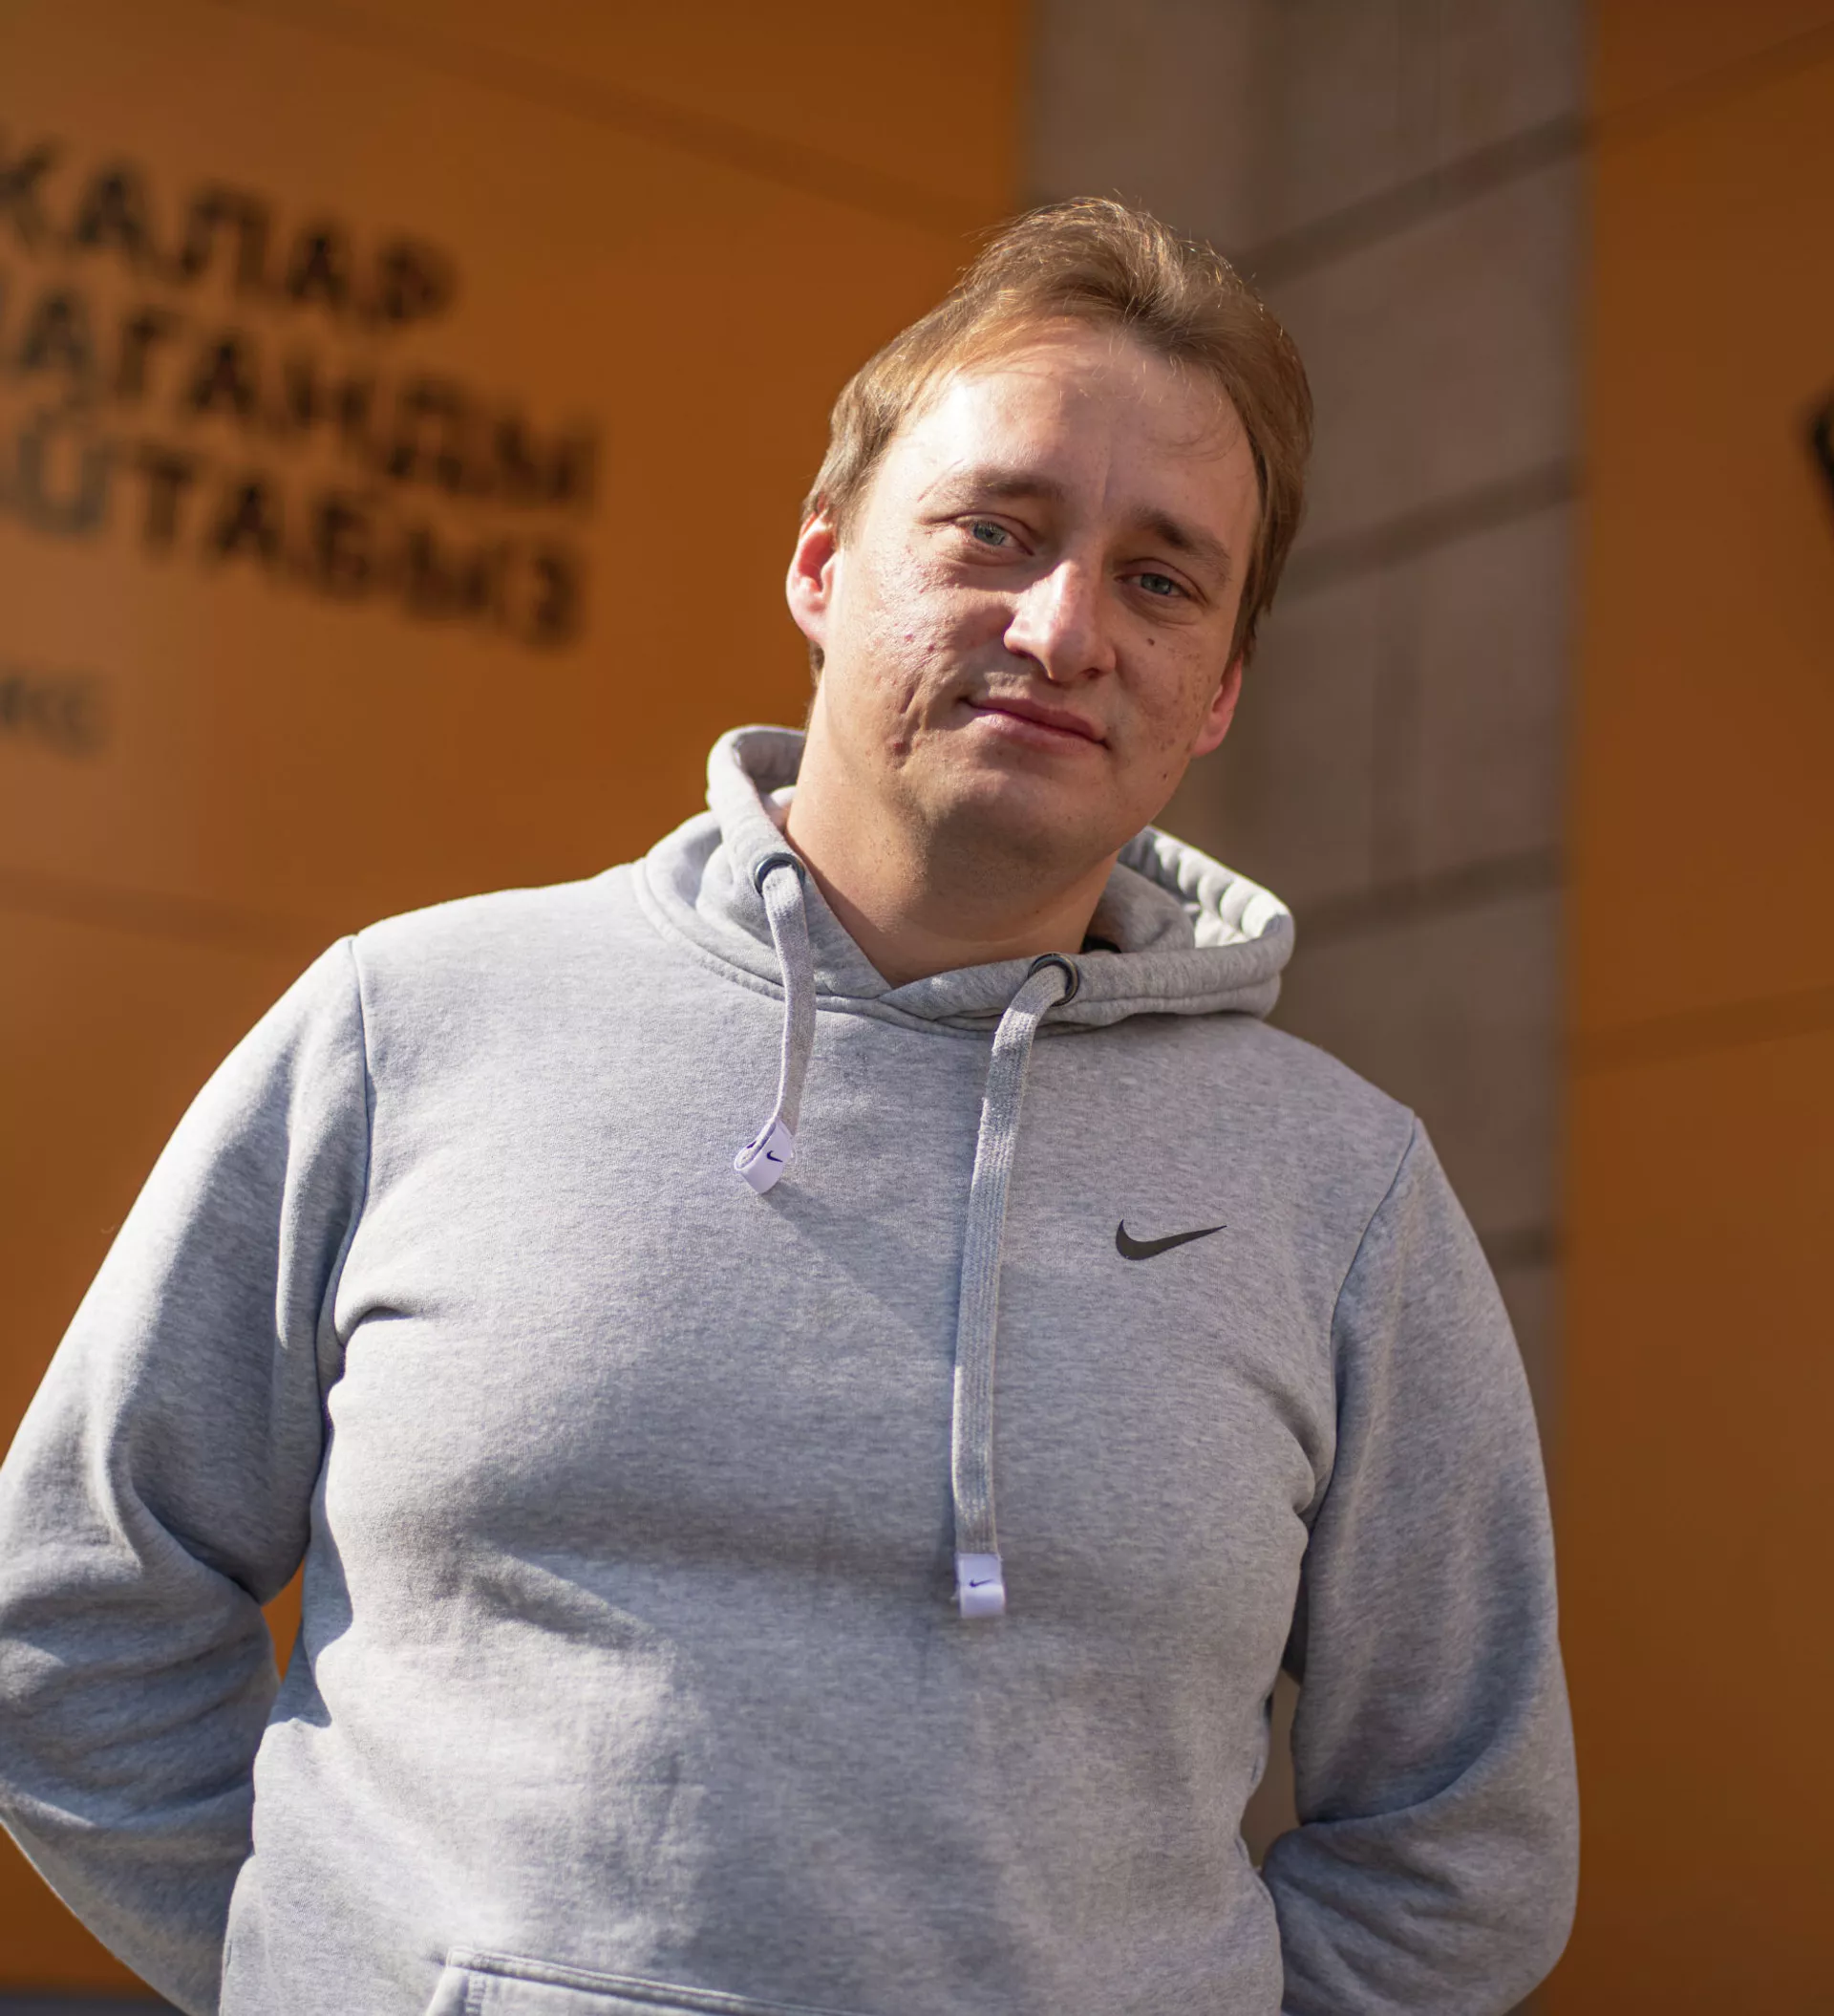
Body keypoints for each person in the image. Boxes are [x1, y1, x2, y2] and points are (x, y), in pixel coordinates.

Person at [0, 200, 1577, 2016]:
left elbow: (1464, 1843)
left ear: (1217, 691)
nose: (1065, 625)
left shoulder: (1343, 1193)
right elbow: (78, 1616)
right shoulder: (408, 1022)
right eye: (995, 531)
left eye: (1162, 580)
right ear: (824, 563)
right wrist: (334, 1978)